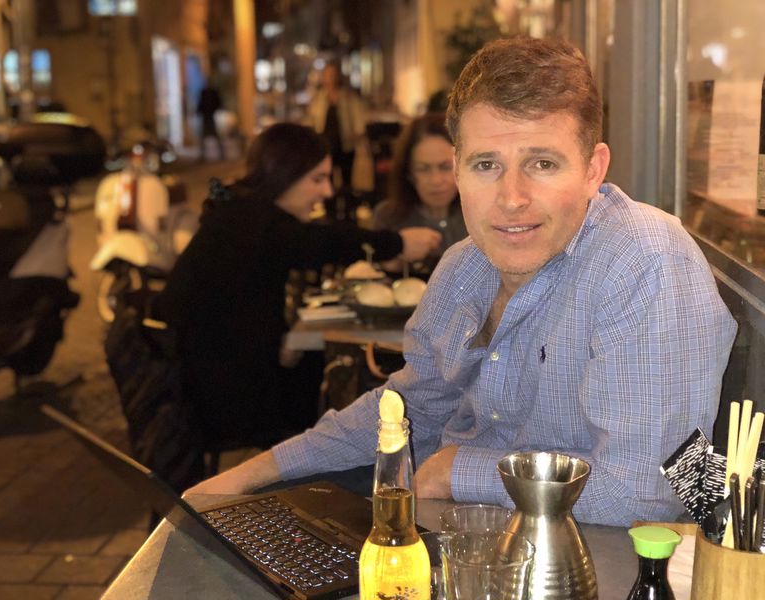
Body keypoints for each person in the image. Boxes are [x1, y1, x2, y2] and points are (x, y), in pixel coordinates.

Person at [187, 39, 737, 527]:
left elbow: (651, 491)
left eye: (543, 164)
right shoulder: (464, 267)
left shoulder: (646, 259)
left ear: (593, 169)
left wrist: (460, 471)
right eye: (486, 165)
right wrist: (250, 476)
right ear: (456, 169)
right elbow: (407, 409)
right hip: (453, 538)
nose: (512, 198)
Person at [159, 122, 441, 456]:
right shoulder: (253, 221)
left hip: (208, 374)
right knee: (323, 395)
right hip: (204, 394)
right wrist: (396, 242)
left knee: (311, 367)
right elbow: (321, 243)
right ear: (283, 175)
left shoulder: (243, 213)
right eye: (317, 179)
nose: (328, 192)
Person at [372, 112, 467, 276]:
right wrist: (395, 254)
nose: (436, 180)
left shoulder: (482, 214)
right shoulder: (388, 217)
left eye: (445, 167)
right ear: (408, 173)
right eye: (423, 169)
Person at [307, 62, 366, 190]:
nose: (331, 78)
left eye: (333, 75)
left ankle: (347, 201)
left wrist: (356, 134)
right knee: (328, 180)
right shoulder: (318, 98)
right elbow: (312, 120)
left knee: (347, 180)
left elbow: (359, 119)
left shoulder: (348, 97)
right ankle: (331, 202)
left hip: (345, 144)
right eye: (328, 75)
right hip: (326, 146)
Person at [197, 83, 225, 161]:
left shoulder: (209, 92)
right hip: (208, 116)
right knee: (208, 135)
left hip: (209, 116)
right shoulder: (205, 92)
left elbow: (216, 102)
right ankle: (204, 154)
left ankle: (220, 153)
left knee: (210, 134)